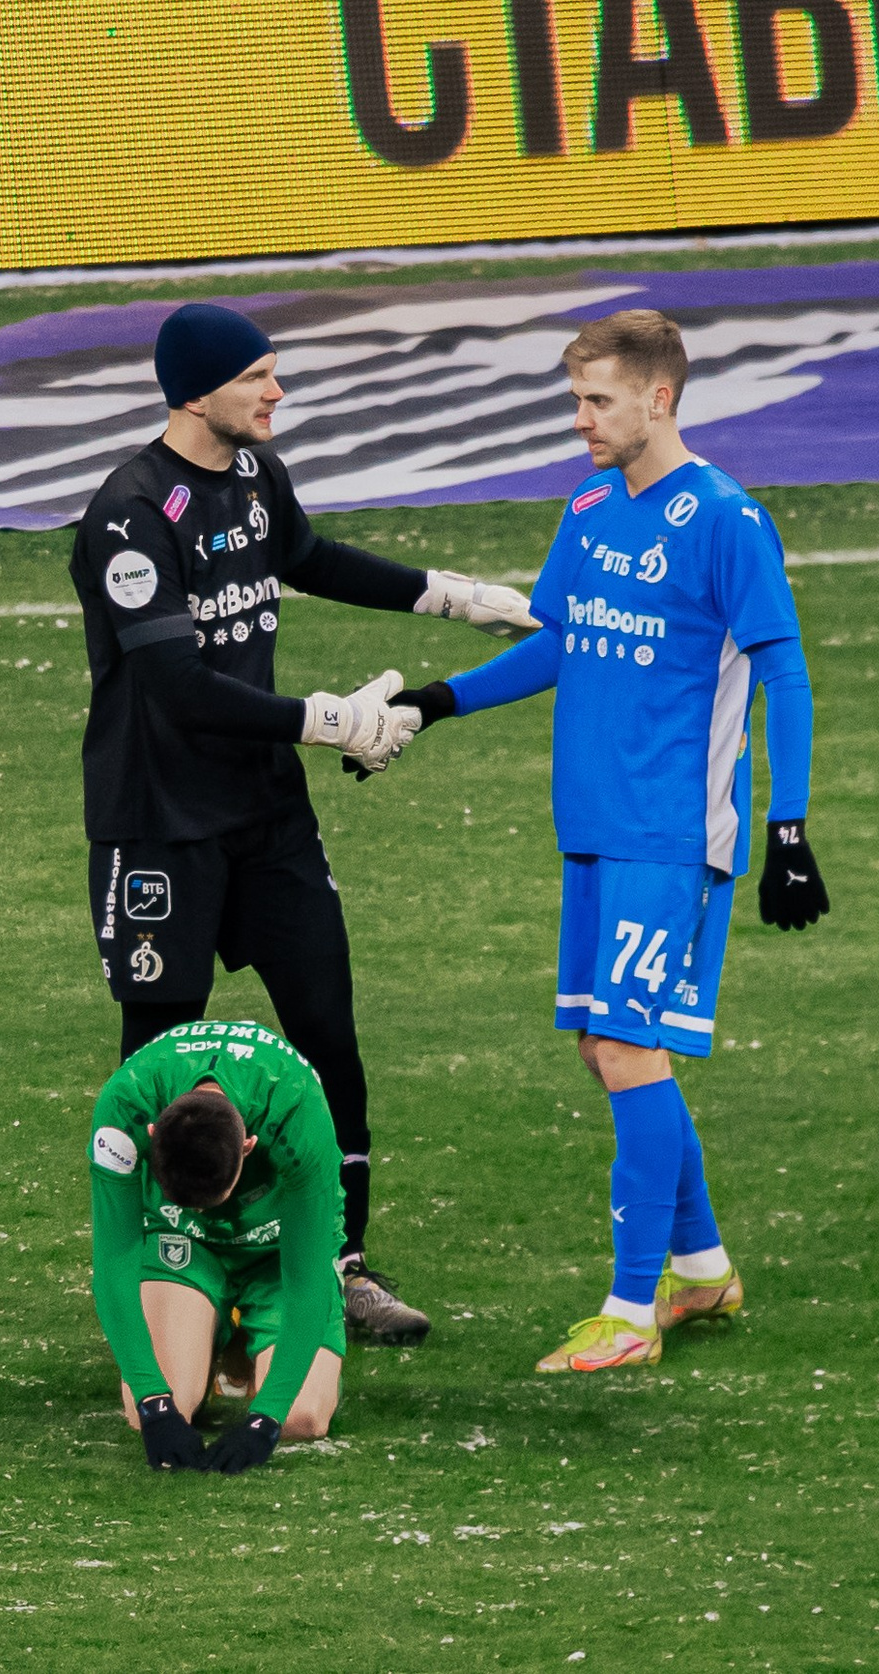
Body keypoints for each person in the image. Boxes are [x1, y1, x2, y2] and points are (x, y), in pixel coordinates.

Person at [71, 301, 537, 1346]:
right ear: (197, 391)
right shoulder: (130, 515)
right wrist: (330, 720)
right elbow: (179, 686)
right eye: (258, 377)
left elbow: (309, 557)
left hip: (266, 812)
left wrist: (449, 596)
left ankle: (340, 1266)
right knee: (162, 1050)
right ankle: (172, 1277)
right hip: (161, 825)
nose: (277, 392)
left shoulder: (255, 477)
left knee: (326, 1029)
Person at [391, 309, 831, 1373]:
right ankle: (701, 1266)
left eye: (596, 400)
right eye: (575, 399)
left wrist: (790, 827)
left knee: (628, 1047)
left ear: (659, 398)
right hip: (591, 827)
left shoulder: (726, 519)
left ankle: (631, 1312)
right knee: (606, 1047)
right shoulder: (588, 506)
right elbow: (564, 645)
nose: (579, 420)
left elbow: (785, 673)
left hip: (672, 831)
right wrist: (433, 702)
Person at [90, 1019, 348, 1472]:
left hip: (277, 1251)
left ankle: (234, 1335)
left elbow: (307, 1281)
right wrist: (154, 1403)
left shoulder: (297, 1112)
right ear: (151, 1135)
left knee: (302, 1419)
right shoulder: (123, 1107)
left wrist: (265, 1422)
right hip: (182, 1243)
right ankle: (216, 1333)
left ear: (249, 1146)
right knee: (145, 1407)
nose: (206, 1212)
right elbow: (114, 1261)